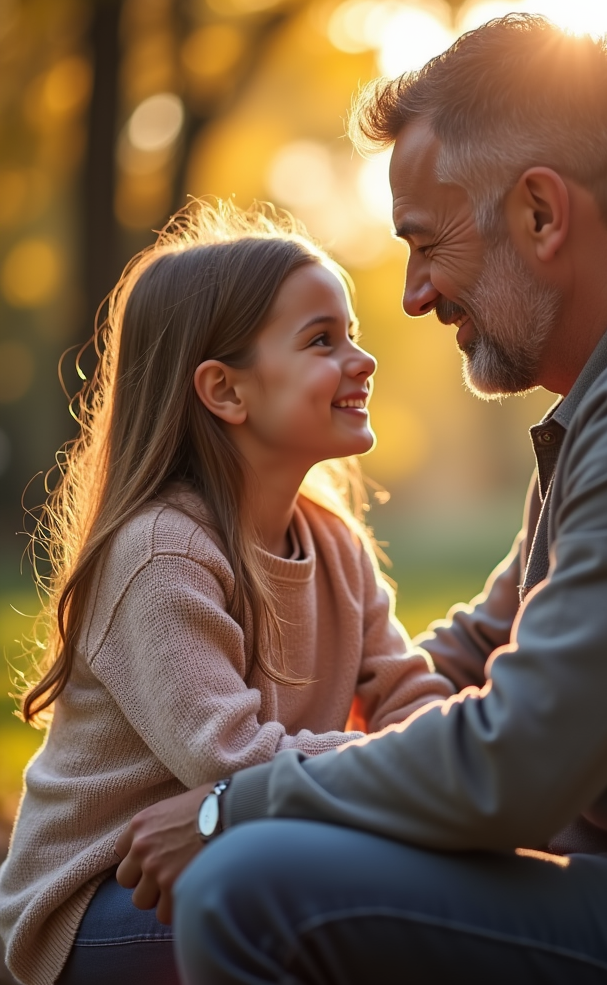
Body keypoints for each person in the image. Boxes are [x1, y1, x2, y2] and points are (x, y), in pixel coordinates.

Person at [115, 14, 607, 984]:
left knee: (249, 883)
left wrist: (236, 803)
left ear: (541, 215)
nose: (415, 297)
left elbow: (513, 764)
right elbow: (477, 654)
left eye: (425, 244)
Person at [0, 200, 453, 985]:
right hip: (96, 906)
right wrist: (415, 764)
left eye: (353, 334)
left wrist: (431, 756)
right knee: (347, 902)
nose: (361, 359)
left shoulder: (335, 542)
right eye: (322, 341)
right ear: (226, 392)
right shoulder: (159, 552)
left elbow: (414, 702)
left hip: (231, 857)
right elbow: (236, 762)